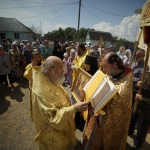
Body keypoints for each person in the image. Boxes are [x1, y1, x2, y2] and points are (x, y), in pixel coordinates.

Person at [31, 56, 90, 150]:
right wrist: (74, 108)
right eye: (61, 68)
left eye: (63, 67)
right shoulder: (41, 92)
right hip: (54, 135)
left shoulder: (49, 79)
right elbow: (52, 118)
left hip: (64, 127)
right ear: (50, 69)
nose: (63, 71)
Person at [82, 52, 133, 150]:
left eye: (105, 66)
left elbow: (118, 107)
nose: (103, 69)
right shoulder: (111, 72)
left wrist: (99, 111)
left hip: (108, 123)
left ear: (115, 64)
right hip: (97, 117)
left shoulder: (125, 84)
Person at [129, 76, 150, 149]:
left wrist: (142, 99)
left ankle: (136, 145)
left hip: (146, 112)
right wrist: (137, 85)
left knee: (141, 131)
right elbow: (137, 88)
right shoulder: (146, 75)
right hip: (136, 107)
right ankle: (129, 132)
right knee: (131, 122)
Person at [24, 49, 42, 119]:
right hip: (34, 87)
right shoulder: (29, 66)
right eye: (35, 57)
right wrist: (33, 66)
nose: (37, 59)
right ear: (32, 58)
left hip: (42, 87)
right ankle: (36, 116)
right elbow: (27, 76)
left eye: (38, 57)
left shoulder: (43, 64)